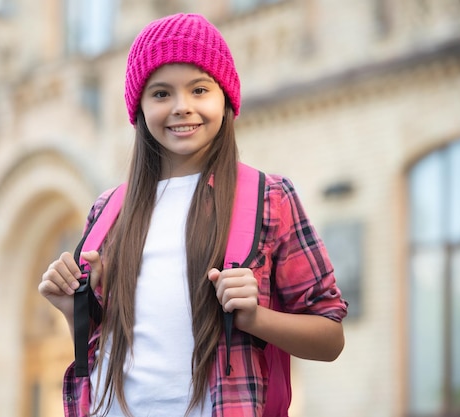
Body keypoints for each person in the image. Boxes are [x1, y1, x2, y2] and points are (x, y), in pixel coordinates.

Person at [39, 13, 348, 417]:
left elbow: (329, 337)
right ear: (139, 108)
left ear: (225, 98)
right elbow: (103, 351)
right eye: (161, 93)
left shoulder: (270, 198)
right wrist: (72, 308)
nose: (182, 107)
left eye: (199, 89)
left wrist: (256, 318)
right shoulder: (107, 211)